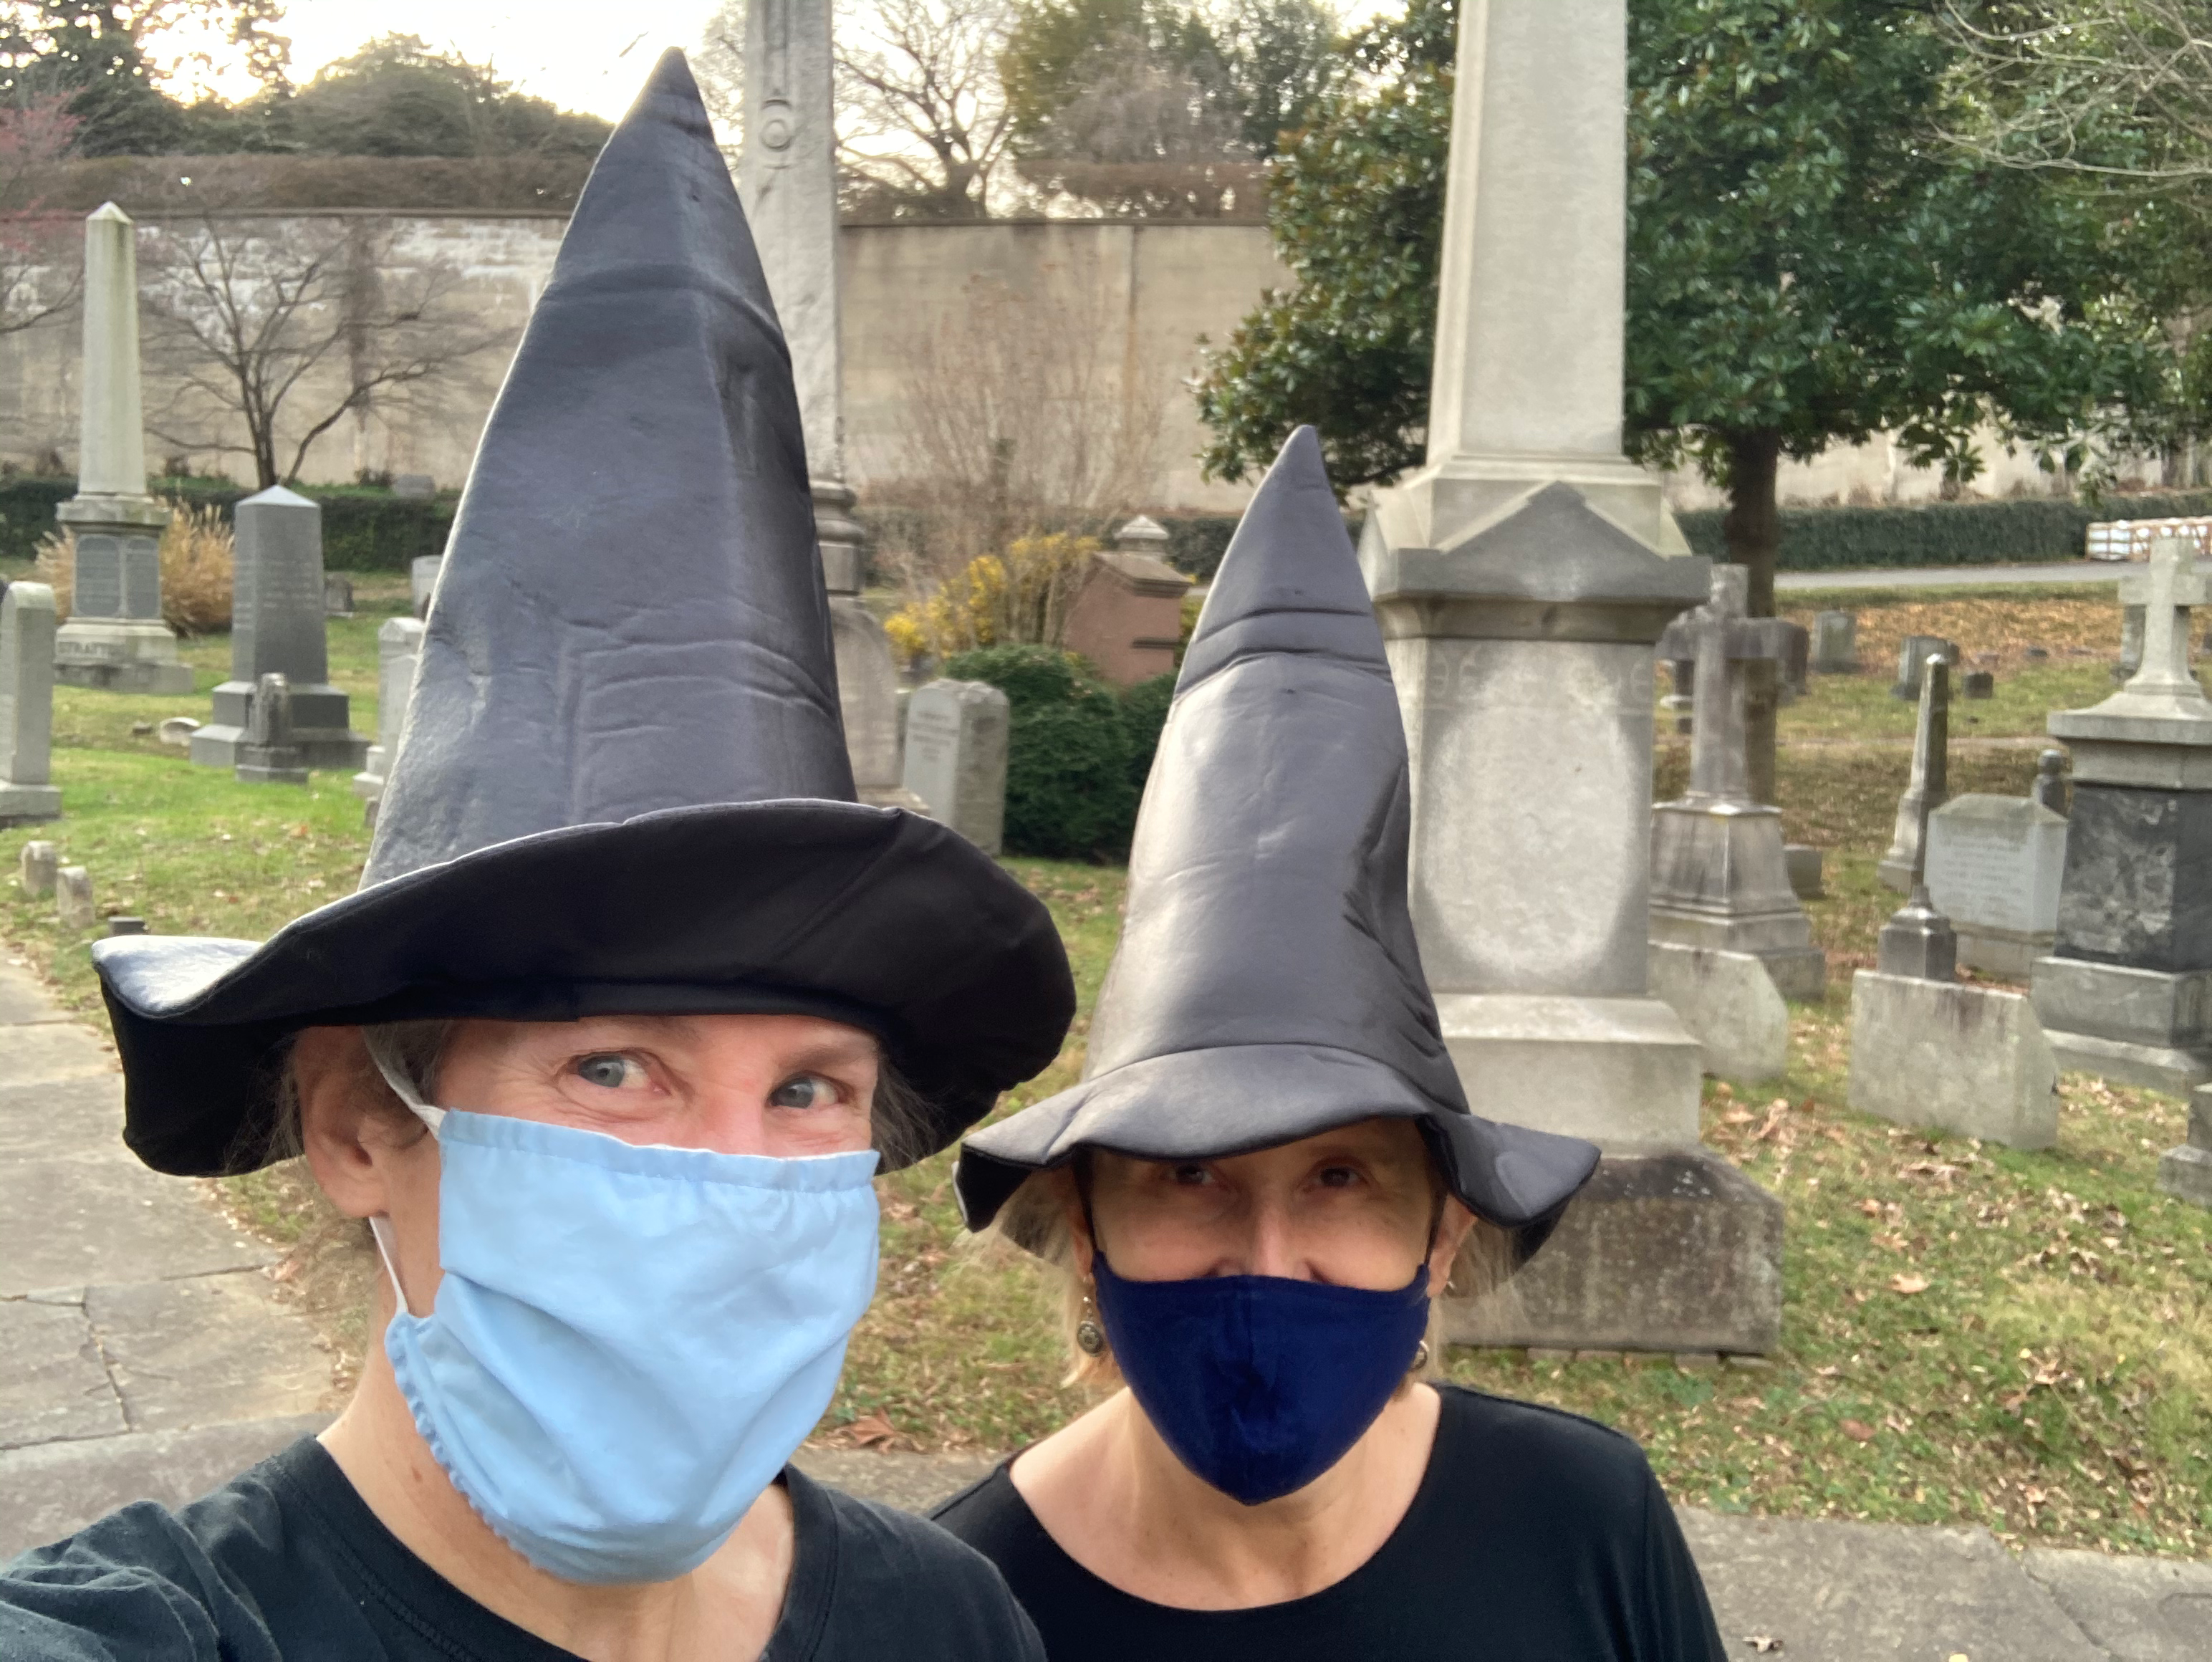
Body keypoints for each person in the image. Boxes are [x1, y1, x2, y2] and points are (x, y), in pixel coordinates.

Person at [0, 50, 1074, 1662]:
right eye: (615, 1068)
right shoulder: (163, 1633)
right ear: (363, 1124)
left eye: (807, 1090)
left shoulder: (943, 1618)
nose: (725, 1175)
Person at [931, 429, 1729, 1661]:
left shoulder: (1586, 1524)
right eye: (1188, 1174)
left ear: (1444, 1229)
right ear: (1085, 1228)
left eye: (1342, 1178)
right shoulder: (960, 1613)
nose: (1269, 1262)